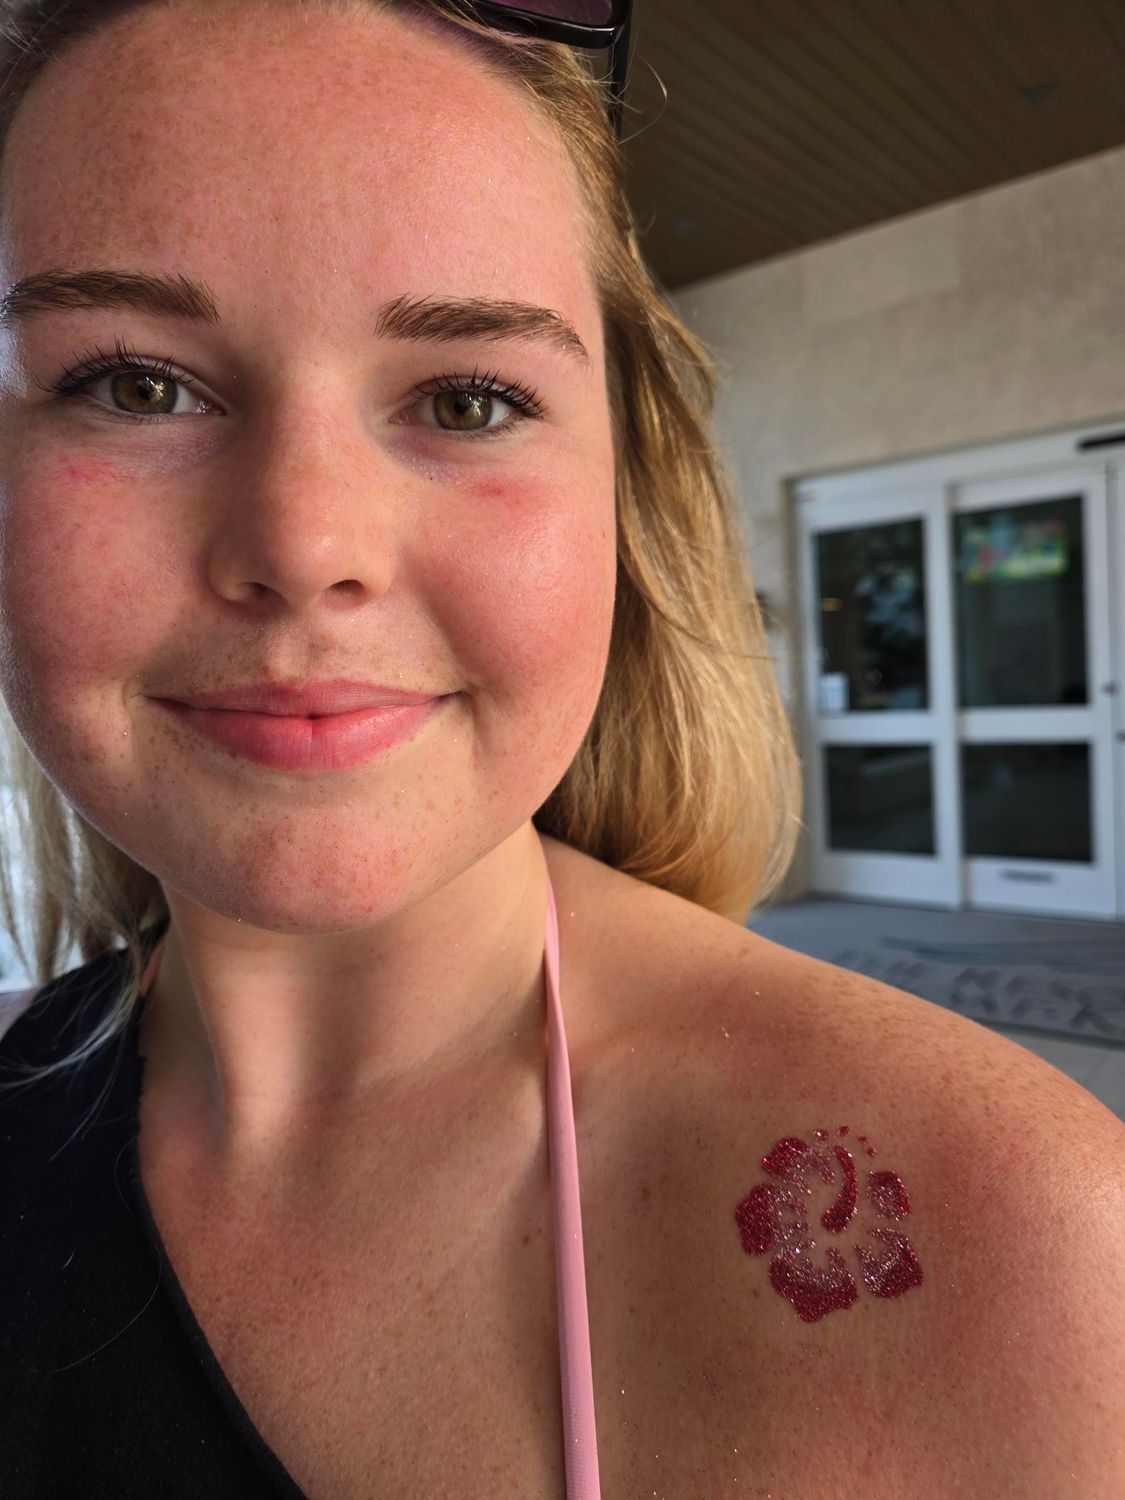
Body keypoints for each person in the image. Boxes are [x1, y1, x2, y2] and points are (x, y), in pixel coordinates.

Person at [0, 2, 1121, 1496]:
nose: (304, 545)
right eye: (133, 382)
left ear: (623, 493)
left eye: (468, 398)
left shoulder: (1018, 1245)